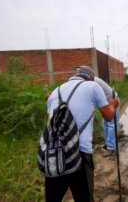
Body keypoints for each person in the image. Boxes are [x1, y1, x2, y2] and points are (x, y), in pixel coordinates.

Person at [45, 65, 118, 202]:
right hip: (80, 153)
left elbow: (50, 121)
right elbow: (108, 117)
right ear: (90, 78)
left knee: (53, 198)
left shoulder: (55, 92)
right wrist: (113, 104)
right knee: (84, 197)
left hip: (53, 153)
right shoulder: (92, 86)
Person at [93, 76, 120, 157]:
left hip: (113, 101)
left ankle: (111, 148)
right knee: (104, 124)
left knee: (111, 125)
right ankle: (108, 143)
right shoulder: (90, 81)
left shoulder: (93, 82)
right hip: (105, 103)